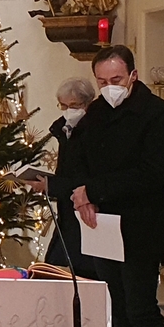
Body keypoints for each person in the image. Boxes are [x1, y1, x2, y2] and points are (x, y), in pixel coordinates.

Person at [71, 45, 164, 327]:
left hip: (140, 227)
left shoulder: (158, 115)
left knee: (141, 310)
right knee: (118, 310)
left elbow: (151, 173)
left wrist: (94, 190)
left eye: (116, 79)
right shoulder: (96, 114)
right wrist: (81, 192)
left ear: (133, 75)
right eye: (102, 81)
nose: (109, 87)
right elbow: (78, 159)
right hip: (102, 226)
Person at [24, 78, 97, 278]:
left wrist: (51, 185)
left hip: (87, 216)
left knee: (84, 276)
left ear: (87, 104)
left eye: (73, 105)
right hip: (67, 216)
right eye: (63, 106)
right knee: (53, 271)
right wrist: (49, 184)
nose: (68, 111)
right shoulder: (64, 130)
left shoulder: (95, 131)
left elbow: (86, 178)